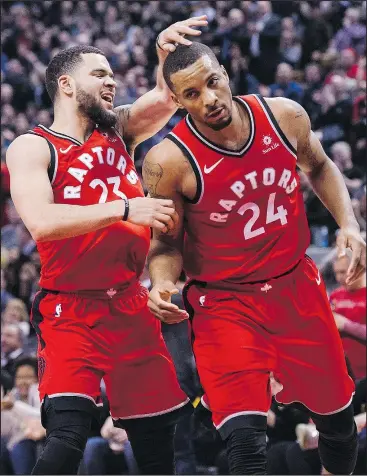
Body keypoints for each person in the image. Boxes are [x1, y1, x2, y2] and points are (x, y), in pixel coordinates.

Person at [143, 42, 366, 475]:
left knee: (338, 423)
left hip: (295, 287)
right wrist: (162, 284)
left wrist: (350, 223)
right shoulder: (167, 161)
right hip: (224, 304)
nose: (208, 99)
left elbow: (319, 166)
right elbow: (165, 246)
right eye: (191, 94)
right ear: (177, 100)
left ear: (226, 73)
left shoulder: (284, 115)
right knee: (244, 442)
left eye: (212, 83)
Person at [5, 16, 208, 475]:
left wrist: (165, 56)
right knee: (66, 441)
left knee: (159, 448)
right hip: (71, 310)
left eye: (113, 73)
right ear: (66, 83)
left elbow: (165, 98)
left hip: (131, 306)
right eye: (99, 73)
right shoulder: (32, 147)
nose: (111, 80)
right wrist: (124, 209)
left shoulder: (118, 131)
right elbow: (40, 222)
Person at [330, 253, 366, 379]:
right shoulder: (335, 296)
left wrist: (345, 325)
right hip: (342, 374)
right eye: (337, 273)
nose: (339, 278)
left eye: (344, 272)